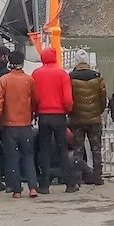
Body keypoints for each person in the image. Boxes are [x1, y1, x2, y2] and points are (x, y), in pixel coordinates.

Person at [31, 48, 80, 194]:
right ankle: (69, 184)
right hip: (59, 115)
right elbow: (68, 99)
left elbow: (34, 97)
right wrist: (66, 110)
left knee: (44, 150)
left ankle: (44, 185)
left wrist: (35, 110)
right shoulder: (62, 74)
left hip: (43, 115)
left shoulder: (36, 74)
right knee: (62, 149)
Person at [0, 48, 39, 197]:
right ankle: (33, 187)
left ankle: (17, 190)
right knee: (28, 156)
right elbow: (35, 101)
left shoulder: (4, 80)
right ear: (23, 63)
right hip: (25, 124)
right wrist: (32, 115)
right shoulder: (29, 80)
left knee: (12, 158)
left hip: (9, 125)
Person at [69, 49, 108, 184]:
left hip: (77, 119)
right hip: (94, 119)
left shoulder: (71, 77)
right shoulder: (97, 76)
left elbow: (69, 99)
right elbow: (103, 98)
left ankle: (77, 178)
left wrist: (72, 112)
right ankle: (98, 177)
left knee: (78, 150)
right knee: (96, 149)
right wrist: (98, 111)